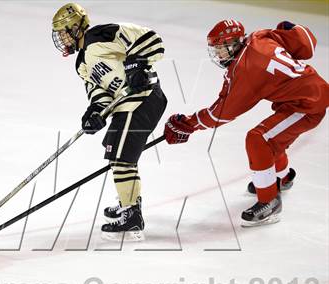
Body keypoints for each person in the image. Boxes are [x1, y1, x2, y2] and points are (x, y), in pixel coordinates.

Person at [164, 19, 328, 227]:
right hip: (303, 96)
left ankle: (269, 203)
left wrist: (187, 124)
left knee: (259, 139)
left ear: (233, 43)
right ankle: (283, 178)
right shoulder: (260, 37)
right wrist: (292, 29)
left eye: (220, 48)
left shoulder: (245, 69)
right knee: (271, 138)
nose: (218, 54)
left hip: (307, 106)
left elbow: (221, 114)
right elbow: (307, 43)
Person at [51, 3, 167, 240]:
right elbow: (98, 92)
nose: (61, 39)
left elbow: (150, 38)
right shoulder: (81, 64)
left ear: (76, 28)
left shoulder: (99, 36)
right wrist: (95, 113)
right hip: (127, 104)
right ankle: (129, 201)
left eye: (64, 32)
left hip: (143, 98)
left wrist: (137, 65)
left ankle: (132, 214)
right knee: (115, 152)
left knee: (121, 158)